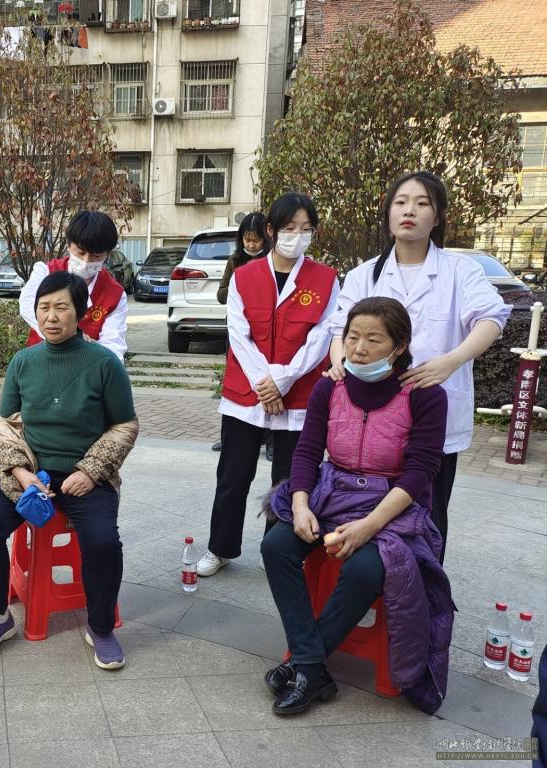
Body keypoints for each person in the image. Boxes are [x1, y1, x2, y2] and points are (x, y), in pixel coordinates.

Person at [262, 297, 453, 716]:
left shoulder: (425, 396)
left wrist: (369, 526)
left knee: (366, 568)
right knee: (276, 545)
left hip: (392, 505)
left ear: (399, 346)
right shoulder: (330, 387)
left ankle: (304, 664)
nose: (360, 349)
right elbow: (307, 451)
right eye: (352, 337)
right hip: (332, 493)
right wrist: (300, 504)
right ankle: (311, 665)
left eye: (373, 339)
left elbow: (421, 471)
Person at [328, 171, 511, 562]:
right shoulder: (364, 276)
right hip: (372, 416)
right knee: (363, 511)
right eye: (400, 202)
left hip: (431, 412)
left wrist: (451, 361)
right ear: (389, 213)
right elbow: (338, 332)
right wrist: (340, 368)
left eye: (422, 203)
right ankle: (370, 593)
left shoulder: (460, 271)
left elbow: (492, 318)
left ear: (438, 216)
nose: (409, 210)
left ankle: (425, 590)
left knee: (428, 515)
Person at [0, 271, 139, 667]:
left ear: (81, 312)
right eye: (44, 308)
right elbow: (5, 423)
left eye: (61, 307)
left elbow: (125, 424)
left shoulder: (104, 363)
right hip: (30, 475)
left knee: (103, 542)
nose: (51, 317)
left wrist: (91, 471)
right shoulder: (24, 361)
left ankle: (101, 628)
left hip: (85, 476)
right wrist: (21, 473)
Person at [198, 192, 340, 578]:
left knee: (290, 479)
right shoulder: (244, 276)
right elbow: (239, 334)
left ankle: (277, 551)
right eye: (290, 228)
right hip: (246, 394)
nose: (298, 236)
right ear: (271, 230)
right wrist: (267, 383)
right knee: (233, 476)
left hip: (298, 394)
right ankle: (220, 547)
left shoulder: (325, 279)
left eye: (307, 229)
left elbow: (322, 336)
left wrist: (283, 380)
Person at [19, 211, 128, 360]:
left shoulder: (115, 295)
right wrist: (70, 337)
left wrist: (92, 355)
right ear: (68, 245)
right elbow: (27, 304)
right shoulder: (45, 272)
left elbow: (114, 347)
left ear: (107, 254)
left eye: (96, 256)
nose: (86, 261)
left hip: (86, 365)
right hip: (41, 360)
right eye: (81, 252)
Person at [213, 212, 273, 456]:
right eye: (247, 240)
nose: (252, 245)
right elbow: (221, 295)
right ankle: (230, 437)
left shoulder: (273, 260)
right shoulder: (235, 260)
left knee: (266, 381)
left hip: (265, 329)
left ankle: (270, 440)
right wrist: (241, 281)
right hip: (238, 330)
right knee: (237, 382)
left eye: (256, 240)